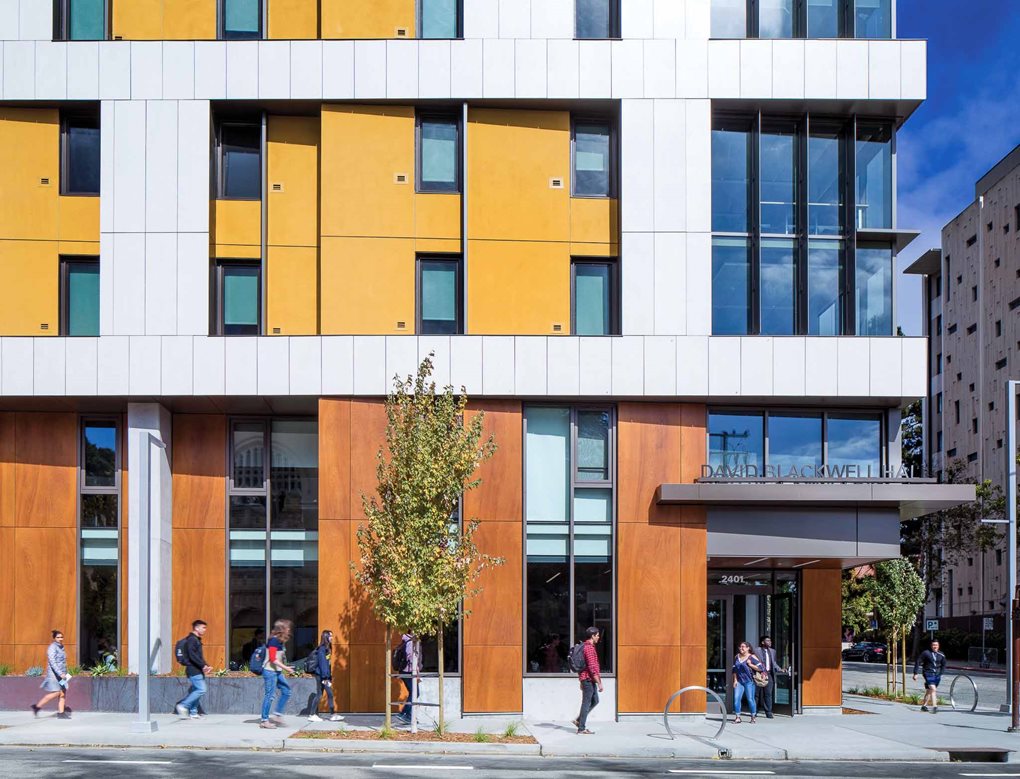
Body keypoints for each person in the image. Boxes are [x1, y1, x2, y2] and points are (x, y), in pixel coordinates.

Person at [260, 619, 295, 729]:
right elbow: (272, 659)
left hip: (277, 671)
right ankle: (264, 720)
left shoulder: (280, 641)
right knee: (270, 696)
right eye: (287, 628)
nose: (289, 630)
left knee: (286, 691)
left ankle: (277, 714)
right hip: (270, 671)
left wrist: (284, 667)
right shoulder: (273, 641)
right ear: (282, 629)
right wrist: (286, 668)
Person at [176, 620, 212, 720]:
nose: (205, 630)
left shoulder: (196, 639)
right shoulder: (192, 639)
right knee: (201, 689)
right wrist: (203, 665)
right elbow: (192, 656)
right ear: (196, 628)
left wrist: (205, 665)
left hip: (197, 668)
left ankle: (193, 712)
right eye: (203, 627)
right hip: (193, 669)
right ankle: (183, 705)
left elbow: (198, 656)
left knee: (196, 689)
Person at [32, 630, 71, 719]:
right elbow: (52, 662)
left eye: (61, 637)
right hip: (55, 675)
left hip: (63, 674)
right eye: (58, 637)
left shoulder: (61, 647)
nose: (60, 639)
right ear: (54, 638)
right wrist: (60, 673)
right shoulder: (52, 647)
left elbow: (63, 662)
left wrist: (65, 673)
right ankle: (37, 707)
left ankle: (61, 713)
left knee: (63, 692)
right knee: (57, 692)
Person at [308, 629, 344, 723]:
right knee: (328, 694)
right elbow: (323, 664)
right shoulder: (322, 649)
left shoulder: (327, 648)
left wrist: (328, 676)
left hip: (324, 675)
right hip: (321, 676)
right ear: (325, 637)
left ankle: (314, 714)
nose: (332, 638)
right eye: (330, 636)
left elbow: (327, 664)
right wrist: (325, 678)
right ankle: (329, 715)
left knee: (320, 694)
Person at [573, 627, 603, 735]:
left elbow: (584, 666)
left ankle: (579, 720)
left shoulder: (586, 647)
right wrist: (599, 683)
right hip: (588, 679)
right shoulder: (589, 648)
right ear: (593, 636)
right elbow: (591, 667)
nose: (598, 637)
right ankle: (581, 728)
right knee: (586, 703)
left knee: (595, 701)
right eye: (597, 635)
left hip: (587, 679)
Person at [732, 641, 764, 724]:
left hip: (749, 681)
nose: (741, 648)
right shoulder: (737, 657)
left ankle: (753, 717)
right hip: (739, 681)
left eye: (743, 647)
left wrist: (750, 665)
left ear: (748, 648)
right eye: (740, 646)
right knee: (736, 699)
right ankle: (738, 717)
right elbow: (734, 670)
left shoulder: (751, 657)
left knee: (750, 699)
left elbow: (761, 668)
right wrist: (735, 680)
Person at [913, 638, 947, 713]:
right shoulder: (926, 653)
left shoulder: (941, 654)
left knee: (929, 691)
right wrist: (915, 673)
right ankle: (935, 707)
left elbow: (944, 665)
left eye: (936, 645)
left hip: (937, 675)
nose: (935, 646)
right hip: (928, 673)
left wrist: (941, 673)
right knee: (933, 689)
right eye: (933, 645)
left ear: (938, 646)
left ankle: (924, 706)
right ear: (931, 646)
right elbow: (918, 662)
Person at [396, 632, 421, 725]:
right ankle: (404, 714)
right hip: (408, 671)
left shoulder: (405, 640)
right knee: (415, 693)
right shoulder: (411, 642)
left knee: (413, 693)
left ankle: (409, 716)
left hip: (405, 671)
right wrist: (417, 671)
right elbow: (411, 658)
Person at [754, 635, 778, 719]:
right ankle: (754, 712)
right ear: (762, 642)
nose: (770, 642)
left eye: (770, 641)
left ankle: (768, 712)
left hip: (769, 674)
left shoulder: (772, 651)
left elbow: (774, 663)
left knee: (768, 694)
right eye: (767, 641)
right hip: (759, 674)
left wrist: (779, 669)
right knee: (756, 694)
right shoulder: (756, 650)